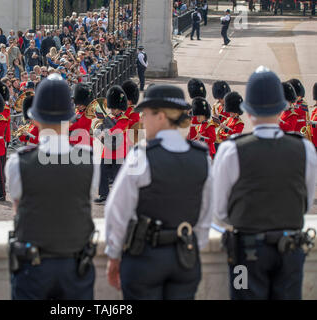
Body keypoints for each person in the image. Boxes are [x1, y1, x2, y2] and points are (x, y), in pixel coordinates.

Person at [213, 66, 317, 300]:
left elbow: (220, 210)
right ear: (282, 108)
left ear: (248, 112)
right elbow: (305, 200)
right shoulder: (305, 149)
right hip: (290, 249)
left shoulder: (231, 150)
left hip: (245, 251)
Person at [105, 84, 212, 300]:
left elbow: (116, 212)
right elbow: (207, 213)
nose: (142, 120)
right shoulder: (202, 158)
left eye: (145, 114)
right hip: (185, 257)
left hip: (145, 256)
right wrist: (193, 249)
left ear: (161, 116)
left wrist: (114, 256)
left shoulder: (141, 155)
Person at [5, 74, 99, 300]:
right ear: (70, 119)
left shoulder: (19, 161)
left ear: (35, 120)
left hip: (33, 266)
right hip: (76, 266)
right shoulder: (89, 160)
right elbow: (86, 201)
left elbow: (18, 209)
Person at [95, 86, 130, 203]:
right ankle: (104, 195)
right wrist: (98, 131)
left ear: (120, 108)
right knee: (103, 173)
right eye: (112, 108)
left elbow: (117, 130)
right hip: (108, 151)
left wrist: (107, 132)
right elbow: (101, 128)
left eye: (114, 108)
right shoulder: (108, 117)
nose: (112, 110)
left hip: (119, 151)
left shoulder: (124, 119)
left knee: (118, 177)